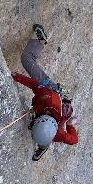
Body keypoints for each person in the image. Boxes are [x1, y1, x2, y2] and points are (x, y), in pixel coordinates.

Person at [12, 24, 78, 161]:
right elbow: (35, 84)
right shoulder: (47, 96)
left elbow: (73, 140)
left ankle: (42, 147)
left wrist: (70, 125)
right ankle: (40, 39)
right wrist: (17, 77)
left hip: (57, 116)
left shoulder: (57, 134)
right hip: (52, 91)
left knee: (46, 137)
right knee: (26, 58)